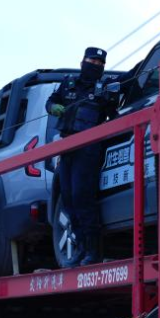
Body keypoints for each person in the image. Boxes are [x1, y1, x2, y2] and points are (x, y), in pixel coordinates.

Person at [46, 46, 121, 266]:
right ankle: (80, 247)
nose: (95, 66)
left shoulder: (104, 87)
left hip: (88, 149)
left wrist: (110, 98)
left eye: (99, 64)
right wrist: (54, 107)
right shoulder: (68, 83)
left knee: (82, 197)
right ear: (82, 62)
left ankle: (92, 251)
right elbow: (50, 102)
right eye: (92, 62)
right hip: (66, 147)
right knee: (68, 198)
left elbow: (113, 113)